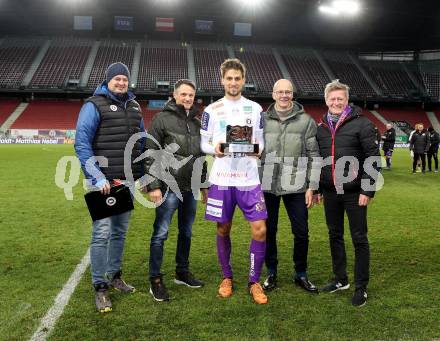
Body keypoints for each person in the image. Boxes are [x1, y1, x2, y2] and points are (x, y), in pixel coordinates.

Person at [75, 62, 144, 313]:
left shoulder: (135, 106)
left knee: (120, 232)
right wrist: (97, 177)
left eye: (124, 79)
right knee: (102, 233)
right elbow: (82, 143)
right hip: (103, 182)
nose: (121, 83)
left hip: (126, 181)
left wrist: (143, 175)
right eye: (116, 79)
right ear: (107, 81)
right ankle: (100, 286)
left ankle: (115, 276)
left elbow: (141, 144)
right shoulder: (94, 105)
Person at [200, 58, 268, 304]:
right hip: (222, 179)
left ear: (243, 81)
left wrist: (257, 149)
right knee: (223, 228)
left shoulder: (256, 109)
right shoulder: (211, 110)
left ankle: (254, 280)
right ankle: (227, 277)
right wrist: (215, 149)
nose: (233, 82)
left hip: (249, 179)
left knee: (260, 229)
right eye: (229, 78)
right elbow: (203, 143)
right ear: (222, 80)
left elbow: (261, 142)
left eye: (237, 78)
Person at [316, 79, 380, 307]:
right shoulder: (321, 127)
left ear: (346, 101)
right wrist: (318, 187)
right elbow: (319, 160)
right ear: (326, 101)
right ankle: (340, 279)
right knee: (335, 235)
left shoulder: (362, 124)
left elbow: (373, 158)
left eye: (340, 99)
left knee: (359, 238)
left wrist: (368, 189)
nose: (336, 102)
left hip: (355, 193)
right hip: (331, 191)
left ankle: (361, 287)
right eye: (332, 99)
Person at [145, 79, 207, 302]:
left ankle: (182, 271)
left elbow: (200, 157)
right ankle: (156, 280)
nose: (188, 98)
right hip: (168, 187)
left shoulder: (198, 123)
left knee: (186, 232)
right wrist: (153, 185)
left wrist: (203, 184)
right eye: (183, 94)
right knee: (160, 234)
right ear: (174, 94)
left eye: (191, 95)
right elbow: (151, 151)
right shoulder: (161, 119)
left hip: (190, 189)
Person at [260, 79, 320, 293]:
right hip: (267, 184)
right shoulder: (261, 119)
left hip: (297, 185)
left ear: (292, 94)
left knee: (302, 232)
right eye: (280, 92)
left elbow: (314, 155)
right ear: (273, 94)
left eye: (288, 92)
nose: (284, 95)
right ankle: (271, 272)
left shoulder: (306, 121)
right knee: (269, 231)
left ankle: (301, 273)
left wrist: (312, 186)